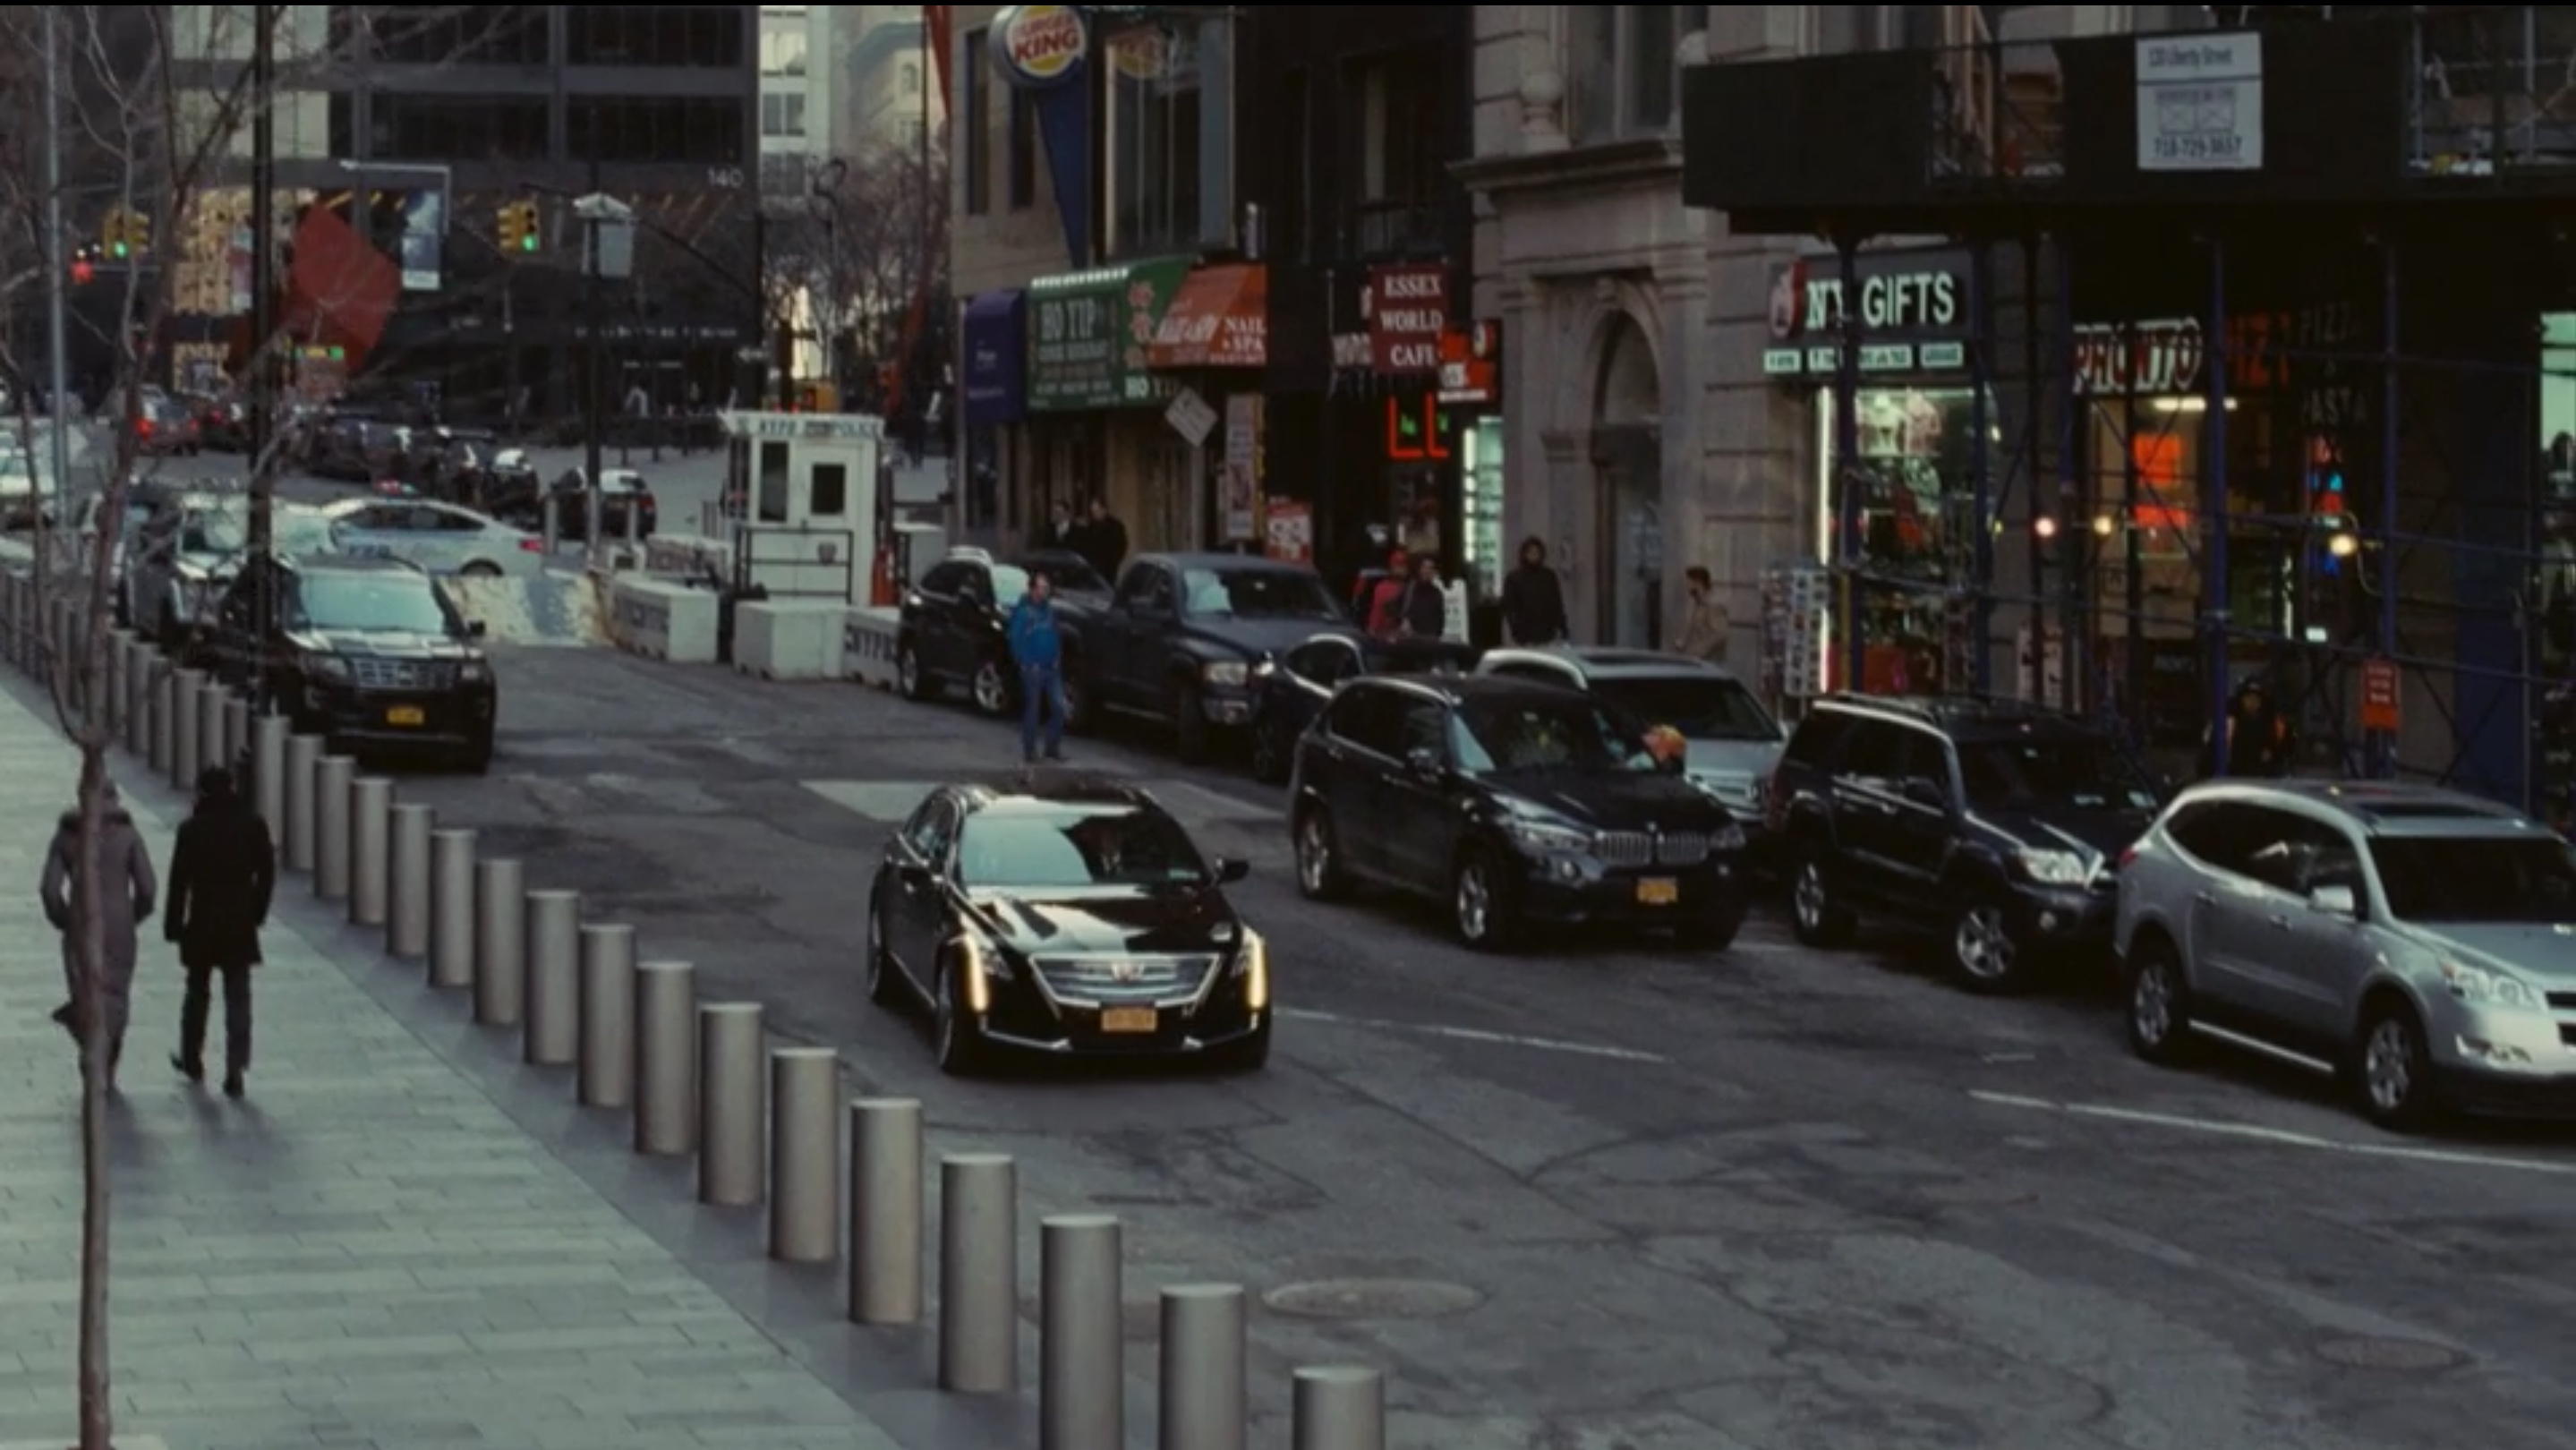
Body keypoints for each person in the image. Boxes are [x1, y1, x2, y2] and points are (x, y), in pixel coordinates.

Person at [164, 766, 276, 1098]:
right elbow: (267, 872)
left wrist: (173, 926)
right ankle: (236, 1067)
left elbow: (178, 883)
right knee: (238, 996)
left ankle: (191, 1058)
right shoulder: (252, 825)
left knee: (197, 993)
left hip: (202, 922)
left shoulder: (192, 830)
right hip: (239, 922)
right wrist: (257, 911)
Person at [39, 782, 158, 1091]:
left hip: (80, 926)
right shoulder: (128, 835)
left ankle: (89, 1047)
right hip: (120, 926)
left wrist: (65, 920)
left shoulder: (67, 835)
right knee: (116, 992)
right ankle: (109, 1057)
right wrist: (132, 917)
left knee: (84, 990)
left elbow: (50, 890)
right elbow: (147, 889)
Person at [1007, 570, 1069, 766]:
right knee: (1033, 709)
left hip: (1051, 667)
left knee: (1059, 706)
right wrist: (1025, 661)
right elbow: (1015, 638)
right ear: (1032, 589)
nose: (1045, 591)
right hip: (1033, 668)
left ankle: (1052, 748)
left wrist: (1057, 655)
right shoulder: (1024, 612)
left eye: (1046, 588)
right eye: (1041, 587)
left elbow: (1056, 634)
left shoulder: (1049, 611)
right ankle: (1030, 750)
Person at [2205, 677, 2296, 778]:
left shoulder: (2274, 723)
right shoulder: (2226, 723)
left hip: (2266, 779)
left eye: (2256, 698)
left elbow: (2287, 750)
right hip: (2233, 777)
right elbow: (2209, 754)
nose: (2252, 702)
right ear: (2241, 699)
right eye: (2248, 698)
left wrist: (2273, 754)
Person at [1499, 537, 1567, 645]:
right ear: (1524, 554)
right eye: (1531, 552)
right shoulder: (1515, 578)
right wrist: (1516, 630)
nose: (1534, 555)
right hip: (1524, 634)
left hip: (1547, 633)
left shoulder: (1548, 576)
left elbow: (1556, 603)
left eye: (1537, 552)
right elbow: (1509, 607)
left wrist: (1563, 628)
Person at [1671, 566, 1731, 664]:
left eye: (1689, 582)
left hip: (1708, 663)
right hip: (1696, 661)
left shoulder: (1713, 605)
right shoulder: (1698, 604)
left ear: (1697, 583)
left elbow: (1720, 634)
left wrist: (1699, 652)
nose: (1687, 586)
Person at [1070, 496, 1129, 581]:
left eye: (1097, 511)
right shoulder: (1089, 526)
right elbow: (1082, 544)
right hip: (1091, 567)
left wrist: (1113, 562)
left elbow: (1121, 545)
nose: (1095, 514)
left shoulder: (1116, 526)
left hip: (1108, 568)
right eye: (1093, 512)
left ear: (1104, 510)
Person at [1401, 555, 1449, 640]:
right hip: (1410, 640)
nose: (1426, 571)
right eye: (1424, 567)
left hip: (1429, 641)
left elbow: (1440, 621)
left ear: (1434, 572)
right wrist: (1403, 620)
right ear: (1419, 570)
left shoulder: (1437, 594)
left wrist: (1435, 636)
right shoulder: (1409, 590)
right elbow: (1392, 607)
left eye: (1430, 568)